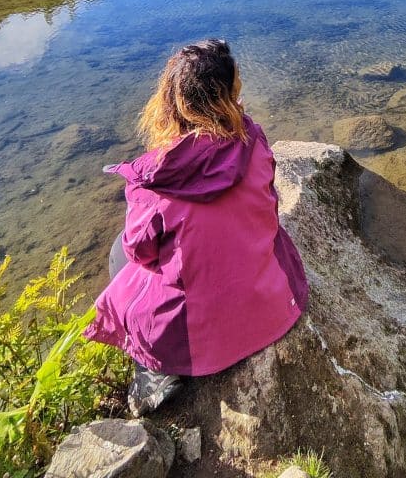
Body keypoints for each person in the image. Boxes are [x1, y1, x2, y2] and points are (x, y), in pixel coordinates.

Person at [84, 38, 308, 416]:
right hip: (275, 306)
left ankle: (157, 371)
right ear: (228, 94)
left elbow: (142, 251)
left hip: (206, 338)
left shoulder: (154, 180)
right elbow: (268, 199)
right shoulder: (252, 139)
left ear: (172, 101)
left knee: (119, 253)